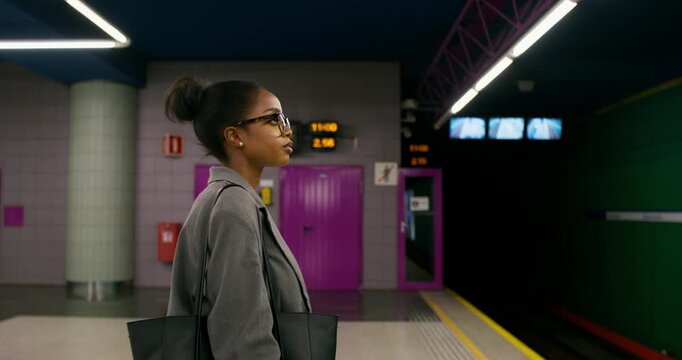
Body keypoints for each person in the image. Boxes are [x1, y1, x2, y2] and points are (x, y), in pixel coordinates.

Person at [165, 77, 310, 359]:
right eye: (272, 119)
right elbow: (243, 337)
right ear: (235, 136)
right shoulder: (233, 206)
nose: (287, 130)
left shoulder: (224, 198)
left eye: (285, 119)